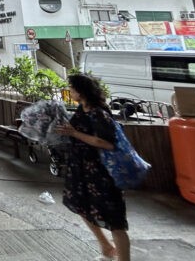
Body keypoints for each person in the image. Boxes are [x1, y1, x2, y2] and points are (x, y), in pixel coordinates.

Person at [55, 74, 130, 261]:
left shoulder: (98, 113)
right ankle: (105, 246)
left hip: (100, 171)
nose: (70, 91)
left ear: (80, 91)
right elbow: (76, 131)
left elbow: (106, 143)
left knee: (115, 220)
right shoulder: (82, 109)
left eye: (71, 88)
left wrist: (74, 133)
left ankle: (123, 258)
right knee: (81, 206)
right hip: (80, 168)